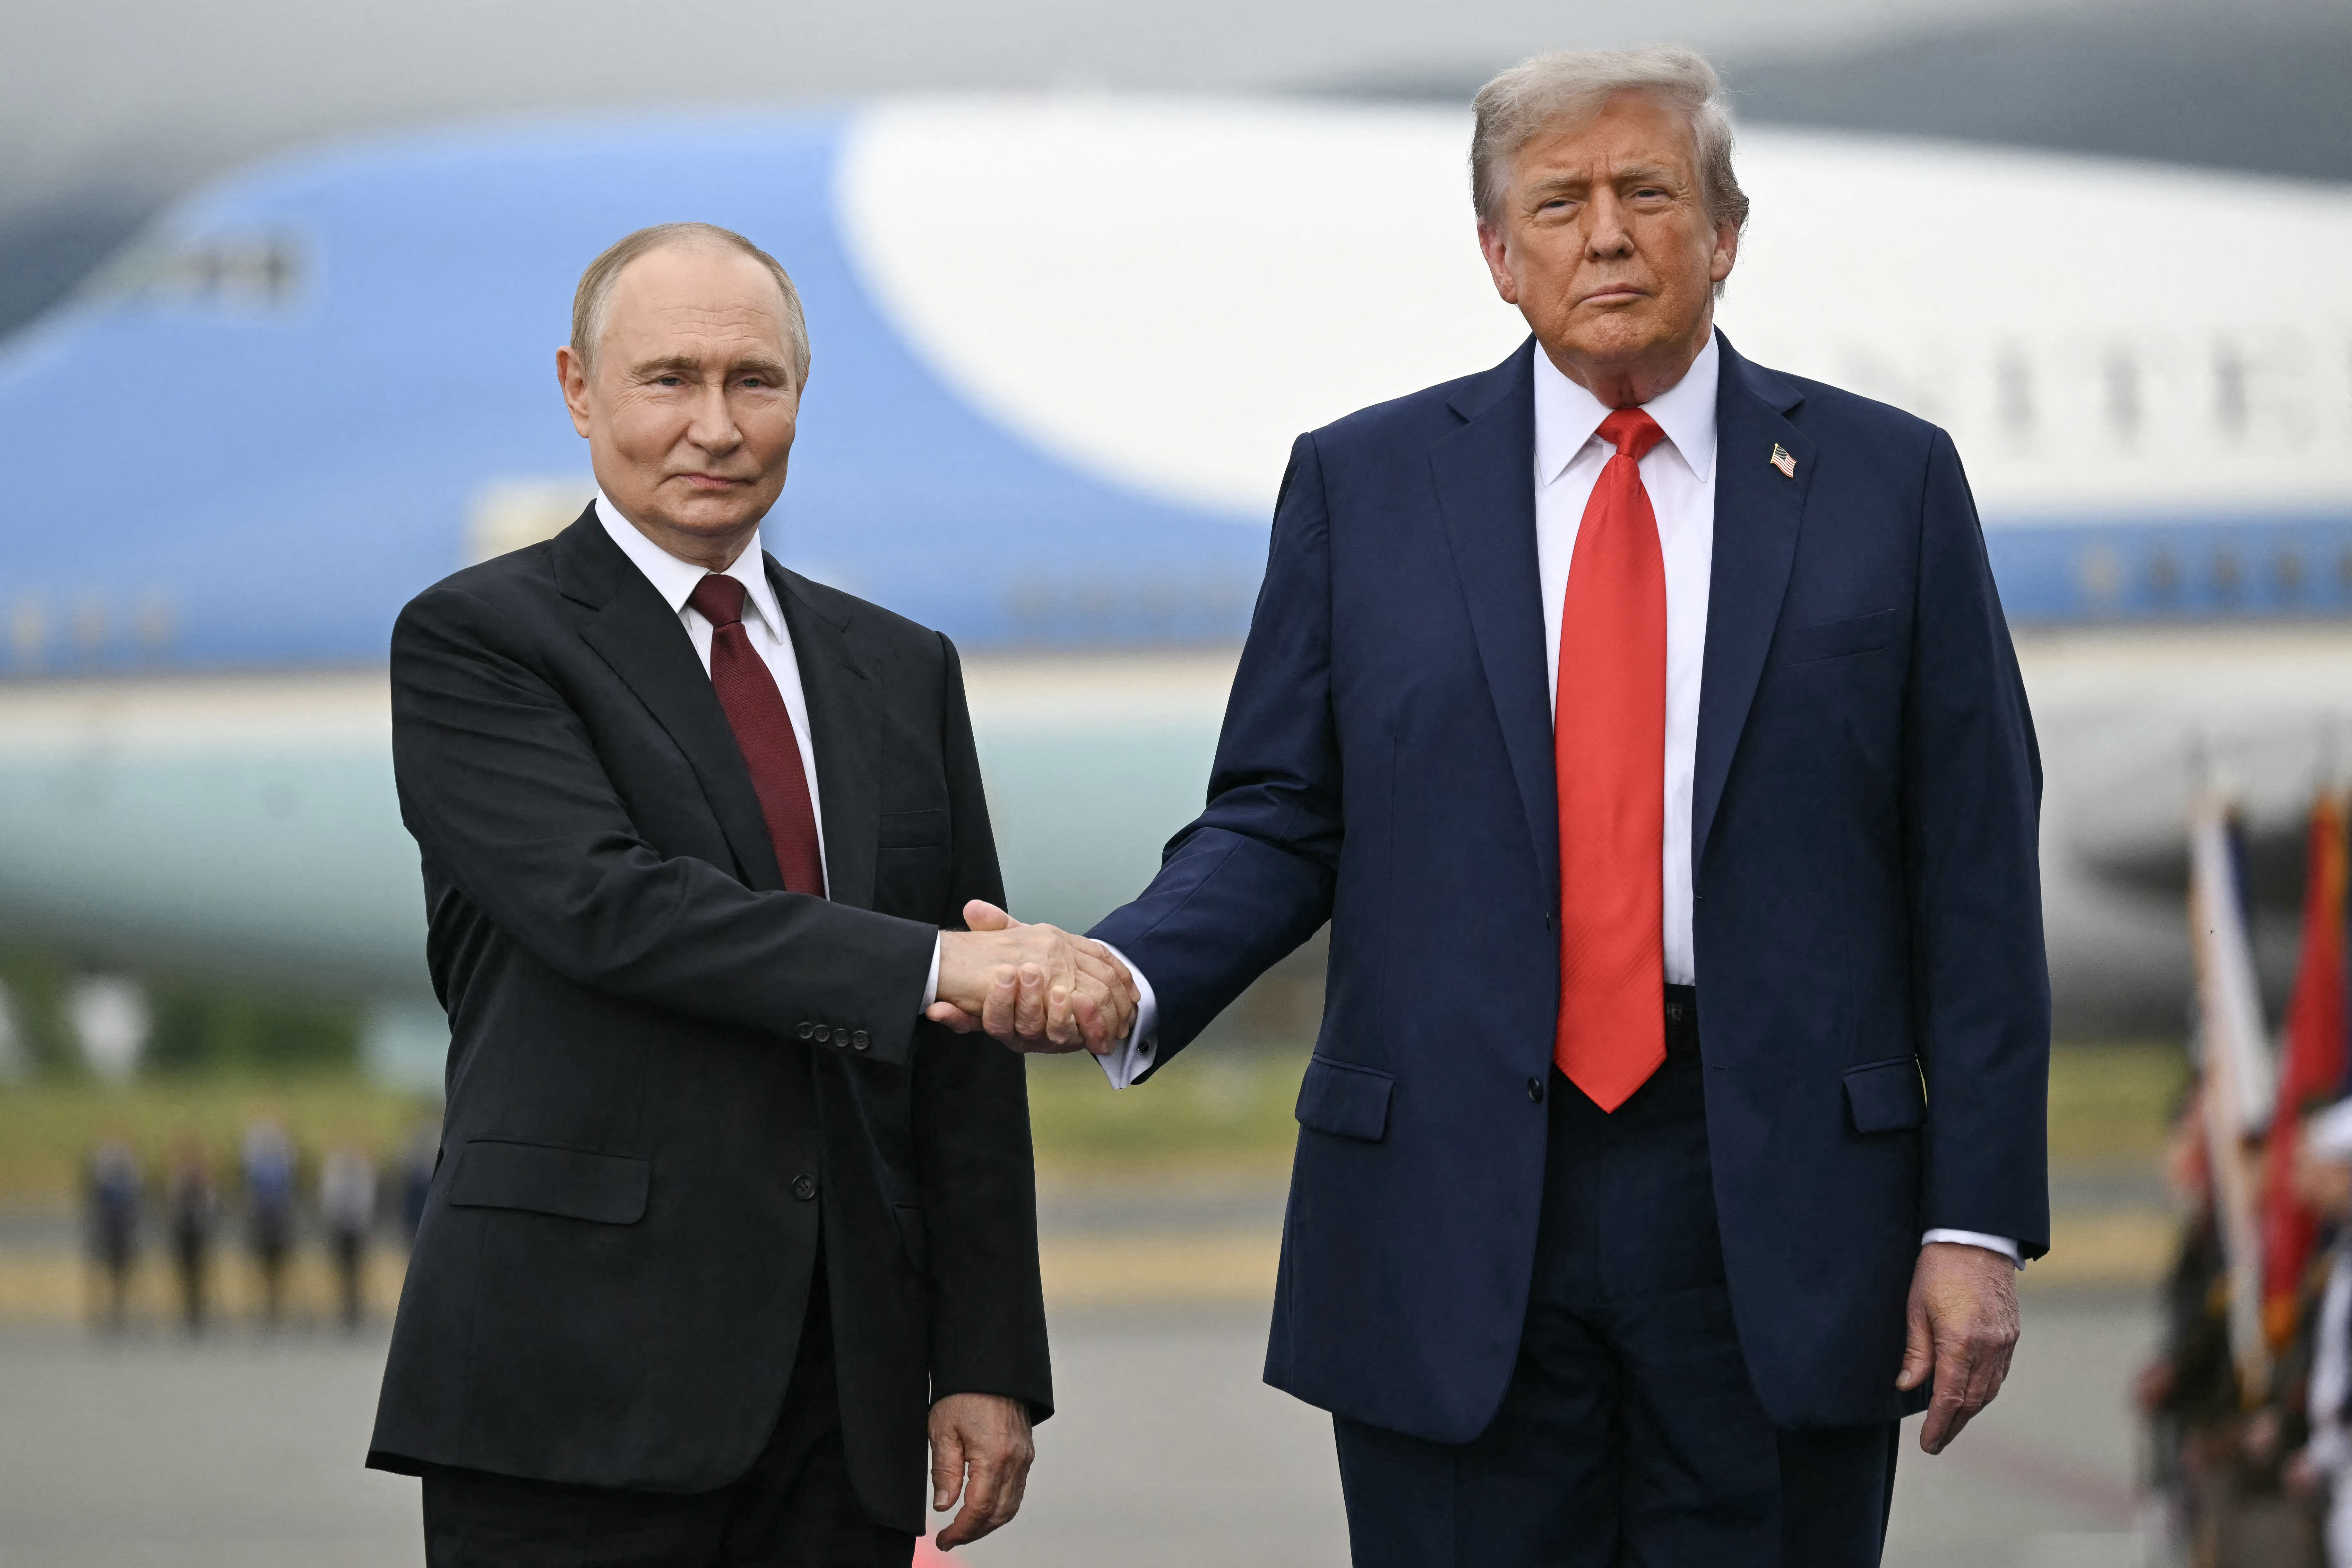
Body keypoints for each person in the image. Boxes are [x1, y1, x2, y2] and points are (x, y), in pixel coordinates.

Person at [945, 45, 2047, 1568]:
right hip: (1445, 1210)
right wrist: (1128, 971)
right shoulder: (1362, 486)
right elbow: (1278, 815)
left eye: (1646, 192)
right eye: (1558, 202)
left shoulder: (1886, 483)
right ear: (1495, 255)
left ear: (1723, 232)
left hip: (1782, 1206)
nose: (1604, 233)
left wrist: (1973, 1222)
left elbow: (1973, 873)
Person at [368, 221, 1133, 1567]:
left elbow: (958, 1074)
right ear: (577, 389)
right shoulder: (478, 642)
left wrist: (985, 1354)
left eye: (753, 382)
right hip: (571, 1390)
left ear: (799, 390)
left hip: (846, 1400)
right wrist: (930, 971)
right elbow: (613, 910)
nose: (714, 427)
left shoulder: (900, 669)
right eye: (667, 379)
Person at [241, 1117, 297, 1326]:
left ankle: (279, 1307)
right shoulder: (256, 1167)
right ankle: (262, 1307)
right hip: (261, 1223)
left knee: (281, 1267)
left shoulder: (283, 1166)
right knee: (259, 1267)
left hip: (280, 1223)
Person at [84, 1136, 141, 1330]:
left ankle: (123, 1310)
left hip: (124, 1233)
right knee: (103, 1272)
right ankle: (103, 1312)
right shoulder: (103, 1182)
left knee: (126, 1274)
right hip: (106, 1232)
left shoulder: (129, 1181)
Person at [318, 1142, 376, 1329]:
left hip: (356, 1230)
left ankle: (356, 1309)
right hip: (341, 1229)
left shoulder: (360, 1173)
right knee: (342, 1270)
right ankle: (345, 1308)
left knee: (357, 1271)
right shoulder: (336, 1173)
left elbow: (365, 1201)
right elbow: (331, 1200)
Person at [164, 1138, 217, 1334]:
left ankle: (199, 1313)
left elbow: (210, 1205)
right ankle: (188, 1312)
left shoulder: (203, 1182)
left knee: (201, 1275)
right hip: (183, 1233)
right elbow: (173, 1208)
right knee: (184, 1274)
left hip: (199, 1233)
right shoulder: (178, 1182)